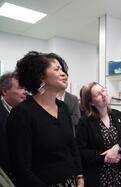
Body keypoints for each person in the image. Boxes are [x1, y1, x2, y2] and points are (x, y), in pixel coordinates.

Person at [7, 51, 84, 187]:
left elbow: (72, 147)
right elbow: (22, 169)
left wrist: (80, 177)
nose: (64, 74)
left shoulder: (63, 108)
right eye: (56, 69)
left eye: (63, 69)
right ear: (40, 76)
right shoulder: (22, 113)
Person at [76, 82, 121, 187]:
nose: (103, 95)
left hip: (118, 172)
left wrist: (116, 148)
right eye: (97, 94)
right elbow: (81, 152)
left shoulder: (117, 115)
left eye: (103, 90)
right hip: (98, 175)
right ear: (92, 103)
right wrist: (106, 157)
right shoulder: (85, 122)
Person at [0, 72, 28, 178]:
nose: (26, 92)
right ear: (5, 91)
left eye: (26, 88)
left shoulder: (28, 111)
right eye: (21, 88)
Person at [47, 53, 81, 135]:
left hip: (69, 135)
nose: (63, 75)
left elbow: (77, 119)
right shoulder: (46, 99)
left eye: (62, 71)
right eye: (56, 69)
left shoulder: (73, 98)